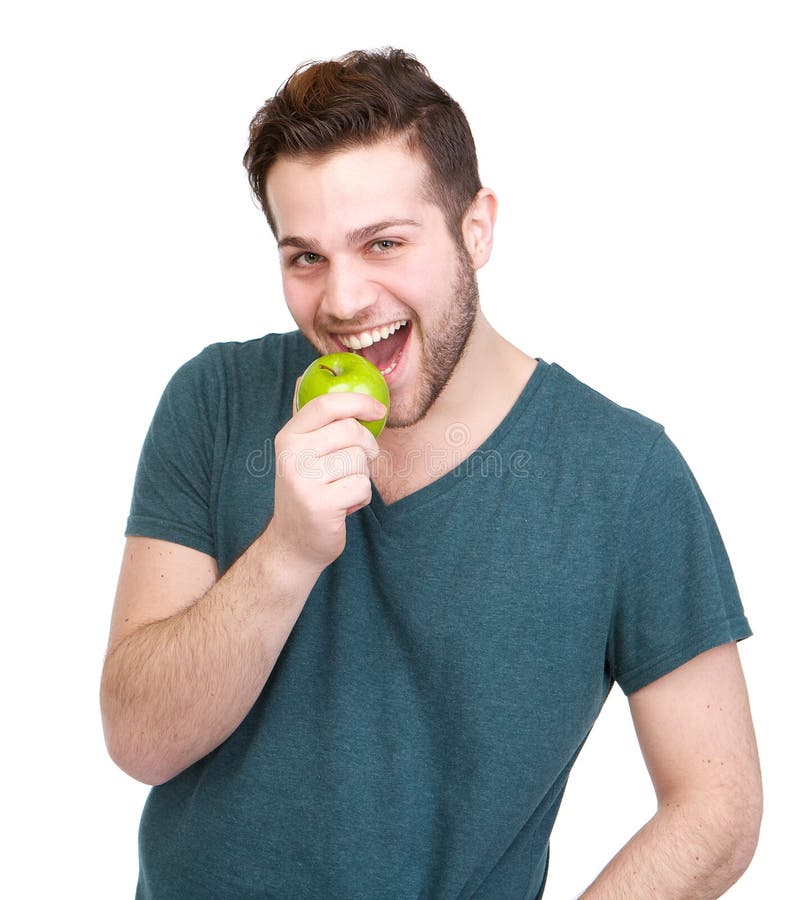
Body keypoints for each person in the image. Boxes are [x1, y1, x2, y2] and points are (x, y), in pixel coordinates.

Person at [100, 48, 762, 898]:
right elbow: (139, 739)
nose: (341, 301)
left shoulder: (622, 476)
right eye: (305, 257)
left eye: (383, 243)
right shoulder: (216, 400)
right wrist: (288, 551)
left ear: (475, 228)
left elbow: (717, 805)